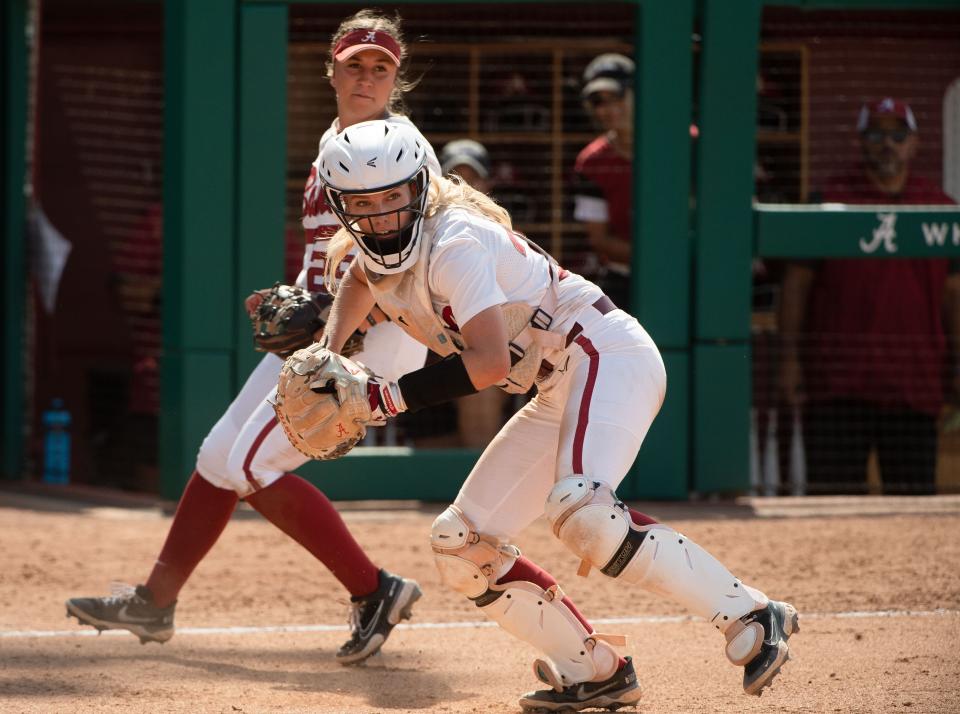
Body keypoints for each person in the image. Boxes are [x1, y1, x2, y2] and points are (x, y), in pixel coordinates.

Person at [309, 120, 798, 710]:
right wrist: (327, 351)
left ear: (420, 186)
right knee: (461, 545)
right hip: (555, 384)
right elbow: (366, 276)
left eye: (394, 196)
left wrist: (381, 398)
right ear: (340, 205)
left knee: (582, 511)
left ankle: (752, 612)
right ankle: (593, 670)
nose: (383, 216)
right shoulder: (374, 253)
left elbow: (487, 363)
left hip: (603, 352)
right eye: (364, 203)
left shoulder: (455, 239)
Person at [65, 9, 440, 665]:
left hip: (379, 337)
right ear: (332, 71)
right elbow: (329, 251)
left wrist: (342, 326)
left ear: (395, 77)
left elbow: (418, 256)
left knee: (250, 465)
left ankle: (375, 589)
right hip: (331, 330)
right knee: (217, 455)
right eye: (355, 64)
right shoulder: (333, 143)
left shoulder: (403, 145)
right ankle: (155, 602)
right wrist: (297, 295)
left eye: (381, 67)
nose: (367, 77)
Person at [779, 97, 959, 496]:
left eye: (898, 134)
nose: (887, 144)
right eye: (876, 133)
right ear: (861, 142)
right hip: (838, 386)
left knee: (913, 507)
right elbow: (797, 285)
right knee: (832, 501)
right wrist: (790, 359)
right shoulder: (828, 202)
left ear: (914, 143)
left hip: (915, 385)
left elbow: (954, 297)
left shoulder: (940, 207)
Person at [572, 53, 634, 310]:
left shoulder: (688, 143)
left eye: (617, 97)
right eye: (599, 102)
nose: (609, 109)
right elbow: (599, 238)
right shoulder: (591, 163)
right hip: (625, 278)